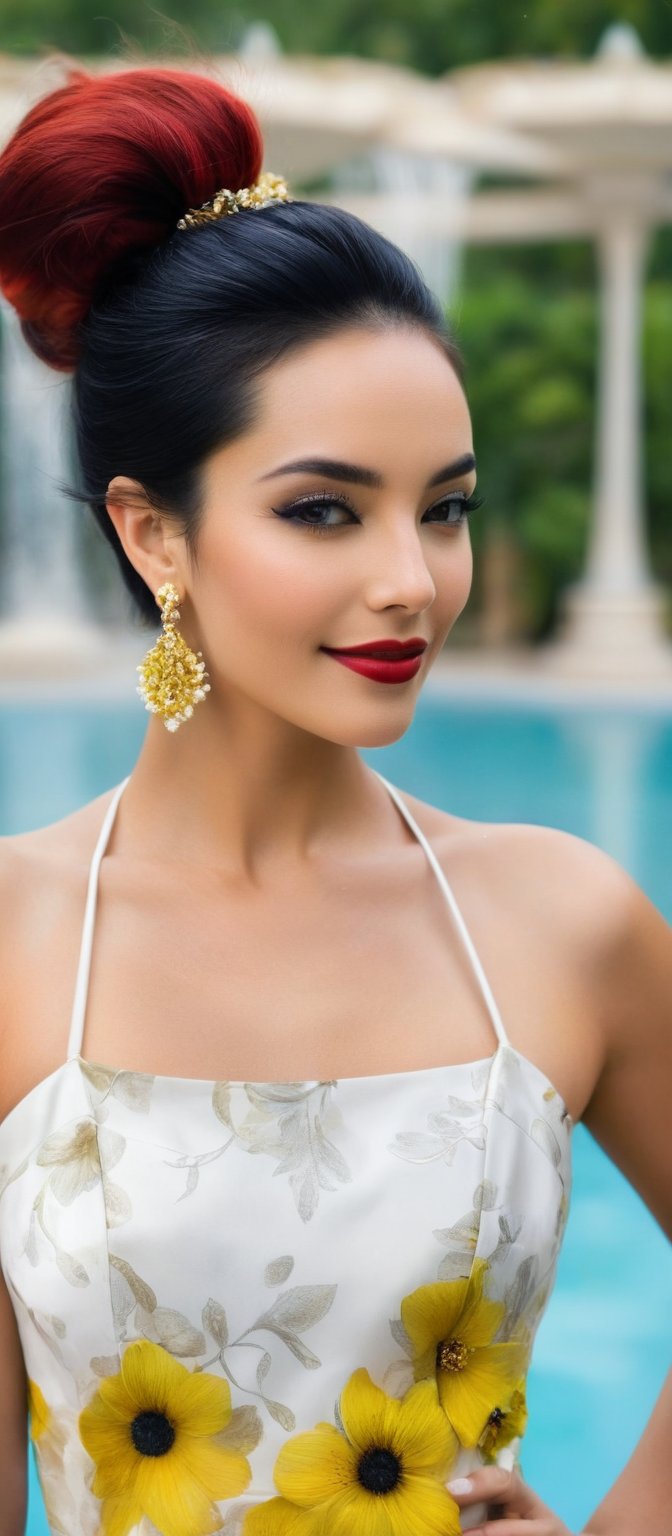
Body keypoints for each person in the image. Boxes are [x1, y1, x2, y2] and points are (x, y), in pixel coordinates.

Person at [0, 61, 669, 1536]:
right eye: (324, 509)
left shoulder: (562, 921)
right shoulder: (12, 940)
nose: (409, 580)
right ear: (152, 531)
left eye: (445, 507)